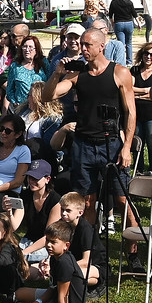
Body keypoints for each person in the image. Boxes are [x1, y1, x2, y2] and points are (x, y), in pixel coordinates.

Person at [47, 27, 136, 212]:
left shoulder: (119, 72)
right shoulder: (77, 74)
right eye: (81, 45)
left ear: (101, 46)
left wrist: (126, 147)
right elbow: (48, 96)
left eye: (88, 45)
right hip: (83, 144)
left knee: (121, 200)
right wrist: (57, 73)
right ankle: (90, 241)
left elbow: (130, 113)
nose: (83, 49)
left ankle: (132, 239)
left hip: (111, 142)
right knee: (87, 201)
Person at [16, 220, 86, 303]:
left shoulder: (64, 263)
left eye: (53, 242)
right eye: (47, 240)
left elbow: (64, 296)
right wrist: (37, 302)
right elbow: (53, 287)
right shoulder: (55, 257)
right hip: (55, 296)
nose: (48, 245)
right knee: (19, 293)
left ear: (66, 245)